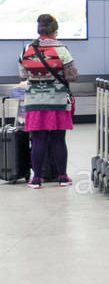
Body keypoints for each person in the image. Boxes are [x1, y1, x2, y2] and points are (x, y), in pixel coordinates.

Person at [18, 13, 77, 188]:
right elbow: (72, 76)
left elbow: (23, 74)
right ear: (55, 31)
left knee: (37, 139)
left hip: (35, 101)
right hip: (57, 101)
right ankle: (62, 177)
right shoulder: (62, 50)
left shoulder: (27, 49)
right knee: (58, 139)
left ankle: (36, 179)